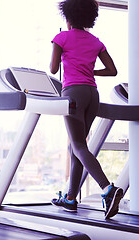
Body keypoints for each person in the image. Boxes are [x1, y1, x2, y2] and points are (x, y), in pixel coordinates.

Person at [50, 0, 123, 219]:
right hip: (93, 95)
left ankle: (108, 189)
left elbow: (53, 69)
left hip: (73, 93)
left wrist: (66, 56)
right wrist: (90, 71)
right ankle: (71, 198)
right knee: (77, 148)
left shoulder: (61, 37)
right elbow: (112, 70)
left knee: (79, 146)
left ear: (68, 17)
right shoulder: (96, 41)